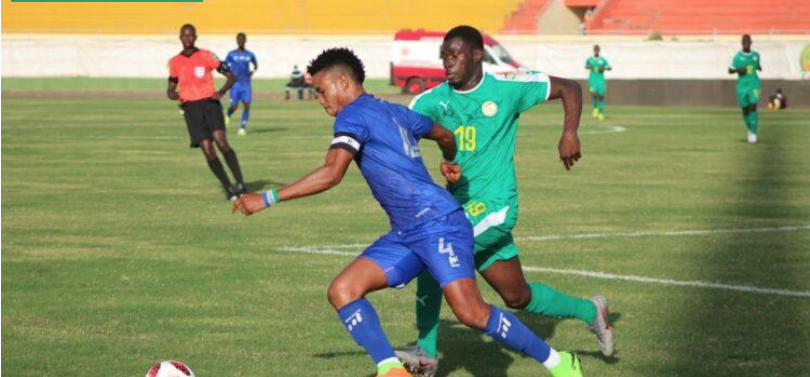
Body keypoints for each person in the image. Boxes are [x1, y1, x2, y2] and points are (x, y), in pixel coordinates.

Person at [232, 47, 584, 377]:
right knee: (343, 290)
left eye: (322, 91)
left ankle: (560, 362)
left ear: (343, 82)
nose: (321, 100)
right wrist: (448, 160)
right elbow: (445, 135)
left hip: (439, 223)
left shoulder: (352, 115)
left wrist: (266, 199)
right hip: (407, 232)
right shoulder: (393, 110)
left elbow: (332, 172)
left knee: (472, 313)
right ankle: (392, 369)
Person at [398, 26, 613, 376]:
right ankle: (592, 312)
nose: (446, 63)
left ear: (477, 55)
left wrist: (570, 131)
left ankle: (425, 350)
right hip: (459, 209)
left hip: (496, 206)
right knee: (518, 297)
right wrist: (443, 165)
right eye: (443, 57)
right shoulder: (430, 101)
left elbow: (569, 87)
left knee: (432, 251)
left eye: (454, 56)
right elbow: (403, 143)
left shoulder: (507, 84)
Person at [167, 24, 247, 200]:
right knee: (207, 150)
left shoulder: (206, 56)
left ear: (195, 37)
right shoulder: (175, 62)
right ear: (180, 38)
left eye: (190, 36)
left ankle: (241, 183)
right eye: (184, 36)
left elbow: (231, 76)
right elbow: (170, 89)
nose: (187, 39)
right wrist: (175, 95)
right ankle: (229, 188)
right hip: (191, 110)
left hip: (210, 105)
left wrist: (222, 92)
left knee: (221, 142)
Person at [728, 34, 762, 144]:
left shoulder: (756, 55)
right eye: (744, 40)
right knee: (745, 110)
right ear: (742, 43)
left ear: (751, 42)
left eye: (748, 40)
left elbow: (757, 65)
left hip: (754, 85)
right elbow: (730, 70)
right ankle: (750, 128)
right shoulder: (738, 57)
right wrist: (739, 70)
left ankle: (753, 133)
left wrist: (760, 67)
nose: (746, 42)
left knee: (753, 107)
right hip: (742, 87)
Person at [224, 32, 258, 136]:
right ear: (237, 41)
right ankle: (228, 115)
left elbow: (255, 65)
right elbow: (224, 66)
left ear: (245, 41)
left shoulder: (250, 54)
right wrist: (229, 76)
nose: (241, 41)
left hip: (246, 85)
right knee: (234, 106)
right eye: (239, 39)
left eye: (242, 39)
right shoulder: (231, 54)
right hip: (235, 85)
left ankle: (242, 128)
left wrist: (252, 71)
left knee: (246, 105)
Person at [585, 45, 611, 120]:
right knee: (594, 94)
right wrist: (591, 67)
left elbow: (609, 67)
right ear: (594, 51)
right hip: (593, 79)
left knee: (601, 96)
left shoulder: (602, 60)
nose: (596, 51)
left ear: (599, 51)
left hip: (601, 80)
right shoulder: (590, 59)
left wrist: (603, 68)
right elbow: (586, 66)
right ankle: (595, 109)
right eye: (595, 50)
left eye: (597, 50)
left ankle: (600, 112)